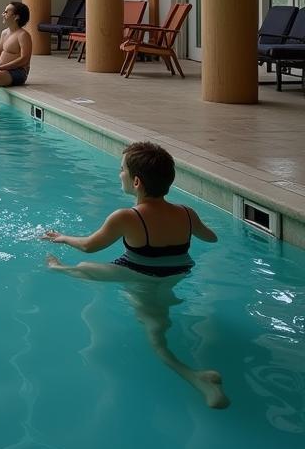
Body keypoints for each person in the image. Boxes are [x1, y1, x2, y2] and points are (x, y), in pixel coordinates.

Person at [41, 141, 228, 409]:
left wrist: (62, 237)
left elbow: (88, 246)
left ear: (137, 181)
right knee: (157, 317)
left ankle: (197, 379)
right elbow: (211, 238)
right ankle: (197, 376)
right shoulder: (186, 212)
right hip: (176, 273)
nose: (119, 174)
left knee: (151, 329)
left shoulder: (127, 217)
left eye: (122, 170)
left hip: (140, 276)